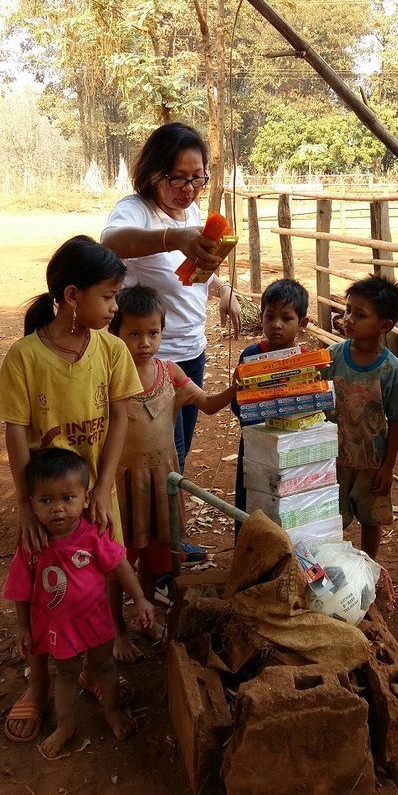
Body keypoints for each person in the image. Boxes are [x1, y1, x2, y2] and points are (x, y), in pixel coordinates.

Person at [0, 235, 143, 733]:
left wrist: (103, 489)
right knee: (43, 590)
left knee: (101, 574)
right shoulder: (24, 357)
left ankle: (90, 662)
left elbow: (121, 416)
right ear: (71, 296)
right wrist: (24, 504)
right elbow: (16, 431)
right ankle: (38, 685)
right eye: (108, 296)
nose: (115, 306)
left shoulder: (111, 351)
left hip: (93, 493)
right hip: (46, 503)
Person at [101, 123, 242, 472]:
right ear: (152, 173)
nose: (189, 188)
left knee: (180, 452)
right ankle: (158, 525)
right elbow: (110, 241)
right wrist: (173, 237)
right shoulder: (136, 210)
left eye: (198, 178)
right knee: (165, 459)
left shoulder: (191, 214)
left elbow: (188, 277)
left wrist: (222, 288)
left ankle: (164, 522)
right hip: (151, 360)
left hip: (192, 350)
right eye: (177, 178)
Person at [109, 284, 239, 660]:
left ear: (163, 331)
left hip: (161, 484)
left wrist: (236, 385)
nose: (145, 342)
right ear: (116, 333)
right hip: (121, 484)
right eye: (134, 333)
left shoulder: (170, 373)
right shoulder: (109, 377)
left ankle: (146, 617)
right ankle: (117, 631)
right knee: (117, 561)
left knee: (154, 557)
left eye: (153, 332)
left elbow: (210, 405)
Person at [3, 448, 155, 757]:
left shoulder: (94, 535)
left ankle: (111, 711)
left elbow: (120, 565)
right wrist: (22, 626)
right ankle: (66, 725)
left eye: (67, 498)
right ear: (31, 504)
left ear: (86, 498)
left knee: (105, 665)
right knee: (66, 673)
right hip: (59, 627)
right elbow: (20, 588)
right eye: (46, 501)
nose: (58, 509)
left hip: (96, 620)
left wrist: (139, 599)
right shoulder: (33, 543)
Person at [325, 276, 398, 562]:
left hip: (371, 462)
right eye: (348, 310)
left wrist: (388, 467)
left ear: (384, 325)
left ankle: (368, 568)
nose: (348, 319)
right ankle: (331, 569)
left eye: (359, 315)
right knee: (330, 517)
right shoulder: (332, 357)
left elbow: (397, 419)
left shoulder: (391, 370)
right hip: (332, 458)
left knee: (370, 519)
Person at [231, 279, 310, 535]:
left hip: (291, 442)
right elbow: (237, 401)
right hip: (255, 441)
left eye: (286, 318)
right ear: (261, 316)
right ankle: (247, 552)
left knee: (288, 498)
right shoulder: (251, 355)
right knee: (251, 495)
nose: (276, 325)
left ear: (302, 323)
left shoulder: (306, 361)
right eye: (270, 316)